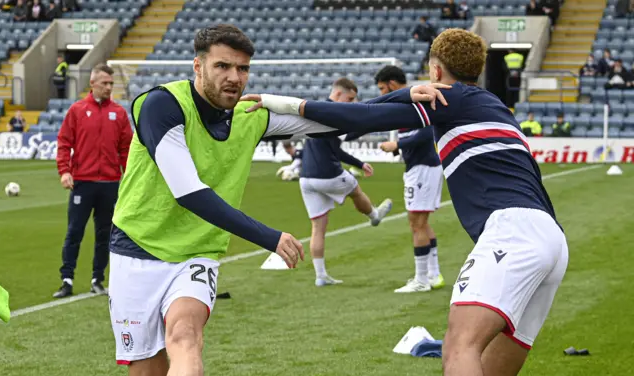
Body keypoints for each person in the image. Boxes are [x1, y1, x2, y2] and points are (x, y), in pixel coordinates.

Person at [244, 28, 569, 376]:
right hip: (552, 239)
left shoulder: (447, 97)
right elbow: (367, 113)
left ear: (437, 70)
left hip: (512, 232)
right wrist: (403, 94)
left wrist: (282, 103)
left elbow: (358, 119)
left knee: (459, 347)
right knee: (493, 363)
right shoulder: (493, 105)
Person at [106, 24, 362, 375]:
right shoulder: (161, 105)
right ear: (198, 66)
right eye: (222, 66)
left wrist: (415, 103)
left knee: (185, 336)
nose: (234, 77)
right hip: (136, 249)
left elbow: (349, 117)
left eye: (242, 69)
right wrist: (270, 238)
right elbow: (190, 194)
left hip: (196, 253)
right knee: (146, 368)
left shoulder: (250, 116)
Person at [298, 77, 393, 286]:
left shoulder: (315, 109)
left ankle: (320, 276)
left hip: (306, 177)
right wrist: (360, 163)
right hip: (328, 174)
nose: (350, 104)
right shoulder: (333, 113)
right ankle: (374, 215)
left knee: (318, 227)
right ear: (339, 93)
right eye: (349, 99)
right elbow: (336, 150)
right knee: (356, 191)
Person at [53, 63, 133, 299]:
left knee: (105, 234)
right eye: (105, 83)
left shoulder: (118, 113)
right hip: (83, 183)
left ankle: (98, 279)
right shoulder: (77, 111)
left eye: (111, 83)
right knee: (74, 232)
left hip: (110, 183)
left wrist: (128, 175)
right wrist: (65, 171)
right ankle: (66, 280)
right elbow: (64, 142)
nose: (109, 87)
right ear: (93, 83)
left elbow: (126, 149)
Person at [373, 65, 445, 293]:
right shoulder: (406, 102)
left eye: (383, 89)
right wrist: (399, 149)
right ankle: (433, 275)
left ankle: (421, 280)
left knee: (417, 223)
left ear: (392, 84)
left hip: (423, 169)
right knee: (421, 222)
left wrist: (397, 144)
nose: (383, 94)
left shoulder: (417, 99)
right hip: (422, 167)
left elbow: (426, 132)